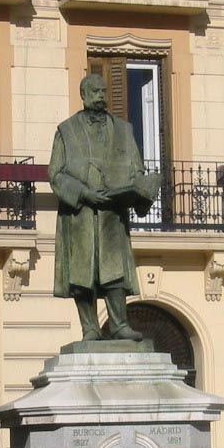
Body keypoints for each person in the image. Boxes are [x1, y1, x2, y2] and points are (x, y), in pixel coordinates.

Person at [49, 73, 158, 342]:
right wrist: (84, 193)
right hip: (80, 214)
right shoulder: (67, 130)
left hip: (112, 214)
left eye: (103, 91)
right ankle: (90, 328)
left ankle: (120, 325)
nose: (100, 96)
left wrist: (141, 189)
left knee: (114, 271)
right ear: (83, 95)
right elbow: (56, 174)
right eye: (95, 91)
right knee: (82, 273)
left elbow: (137, 169)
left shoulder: (123, 129)